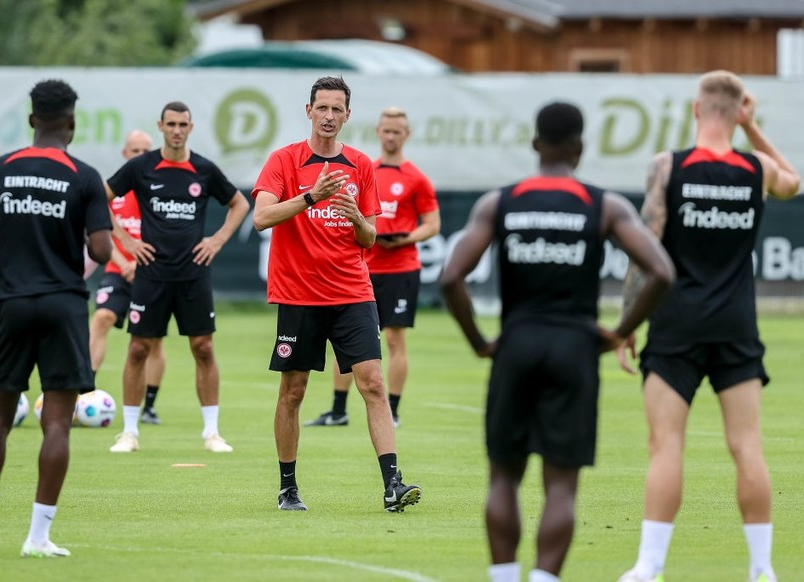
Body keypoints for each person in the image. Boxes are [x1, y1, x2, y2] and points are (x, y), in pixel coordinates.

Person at [439, 102, 675, 582]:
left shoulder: (499, 202)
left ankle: (503, 576)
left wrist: (480, 343)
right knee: (561, 484)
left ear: (535, 145)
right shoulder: (604, 204)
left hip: (517, 345)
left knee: (504, 475)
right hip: (575, 348)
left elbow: (449, 277)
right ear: (581, 148)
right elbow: (662, 272)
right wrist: (620, 332)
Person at [616, 71, 800, 582]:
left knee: (666, 445)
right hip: (737, 325)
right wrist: (755, 130)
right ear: (739, 113)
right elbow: (794, 181)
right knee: (747, 445)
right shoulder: (757, 167)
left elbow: (647, 250)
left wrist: (629, 321)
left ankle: (649, 566)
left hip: (676, 326)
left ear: (697, 110)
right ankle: (762, 569)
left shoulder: (667, 167)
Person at [252, 76, 422, 512]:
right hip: (299, 295)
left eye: (337, 110)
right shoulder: (284, 161)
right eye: (322, 108)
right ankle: (288, 487)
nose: (329, 116)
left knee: (374, 384)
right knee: (293, 391)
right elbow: (261, 217)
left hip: (352, 292)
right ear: (308, 111)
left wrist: (354, 216)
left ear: (348, 115)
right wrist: (311, 197)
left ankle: (392, 485)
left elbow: (369, 236)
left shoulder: (362, 166)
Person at [0, 79, 113, 558]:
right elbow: (102, 249)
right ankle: (37, 538)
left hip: (11, 304)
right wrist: (60, 236)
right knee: (57, 425)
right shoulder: (84, 176)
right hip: (63, 305)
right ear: (71, 122)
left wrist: (21, 234)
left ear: (31, 120)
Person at [106, 101, 250, 454]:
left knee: (203, 348)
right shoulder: (142, 166)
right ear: (160, 126)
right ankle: (129, 432)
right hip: (151, 274)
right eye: (170, 124)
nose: (176, 130)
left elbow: (240, 204)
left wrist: (216, 240)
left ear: (191, 127)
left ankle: (212, 433)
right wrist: (125, 241)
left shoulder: (202, 169)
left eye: (182, 124)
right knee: (139, 348)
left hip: (193, 274)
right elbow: (100, 198)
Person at [306, 106, 440, 428]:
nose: (391, 136)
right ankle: (338, 410)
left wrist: (406, 238)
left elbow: (432, 224)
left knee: (394, 339)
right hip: (361, 268)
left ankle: (391, 410)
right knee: (345, 337)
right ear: (378, 132)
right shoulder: (365, 169)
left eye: (397, 131)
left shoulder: (416, 178)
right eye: (386, 130)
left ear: (405, 135)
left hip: (400, 268)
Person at [89, 130, 167, 425]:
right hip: (119, 270)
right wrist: (125, 265)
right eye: (134, 150)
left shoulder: (162, 189)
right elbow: (101, 233)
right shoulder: (114, 192)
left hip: (153, 273)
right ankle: (87, 390)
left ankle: (148, 405)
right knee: (101, 319)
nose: (139, 155)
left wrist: (146, 265)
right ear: (125, 154)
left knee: (153, 341)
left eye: (145, 150)